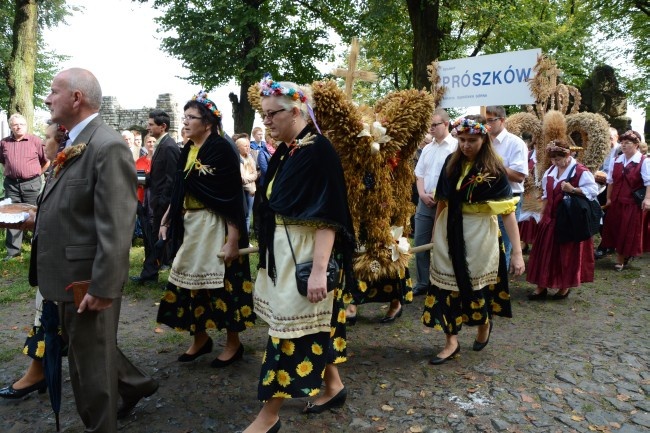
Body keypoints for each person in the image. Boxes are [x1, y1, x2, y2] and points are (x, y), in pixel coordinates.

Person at [31, 67, 159, 431]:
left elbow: (116, 225)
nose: (47, 98)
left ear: (76, 98)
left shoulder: (107, 145)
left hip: (86, 282)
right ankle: (136, 385)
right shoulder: (72, 142)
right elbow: (76, 208)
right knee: (88, 354)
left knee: (92, 375)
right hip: (66, 277)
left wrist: (103, 287)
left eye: (54, 91)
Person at [242, 75, 356, 433]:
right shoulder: (290, 149)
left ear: (295, 111)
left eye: (272, 115)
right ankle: (333, 385)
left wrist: (319, 270)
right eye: (264, 116)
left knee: (288, 332)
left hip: (306, 254)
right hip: (286, 250)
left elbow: (331, 215)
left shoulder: (318, 150)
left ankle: (269, 416)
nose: (267, 122)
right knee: (308, 325)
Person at [156, 91, 255, 368]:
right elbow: (180, 188)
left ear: (208, 122)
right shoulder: (188, 149)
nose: (185, 122)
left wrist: (233, 239)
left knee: (224, 285)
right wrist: (167, 219)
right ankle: (200, 339)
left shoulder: (222, 148)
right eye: (184, 117)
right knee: (187, 282)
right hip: (192, 225)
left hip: (219, 226)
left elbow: (232, 196)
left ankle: (233, 344)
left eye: (191, 117)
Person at [422, 115, 525, 365]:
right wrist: (437, 231)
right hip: (450, 228)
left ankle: (483, 323)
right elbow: (443, 200)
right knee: (445, 285)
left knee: (476, 284)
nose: (466, 145)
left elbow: (508, 213)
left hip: (480, 232)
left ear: (483, 140)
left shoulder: (495, 169)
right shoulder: (451, 162)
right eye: (462, 140)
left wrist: (518, 253)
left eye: (472, 140)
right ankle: (451, 341)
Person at [0, 121, 66, 400]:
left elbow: (66, 215)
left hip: (65, 263)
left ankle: (128, 382)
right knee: (50, 318)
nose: (44, 143)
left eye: (48, 138)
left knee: (74, 329)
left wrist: (29, 218)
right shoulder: (57, 168)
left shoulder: (66, 169)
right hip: (52, 260)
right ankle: (37, 372)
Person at [525, 139, 598, 300]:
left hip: (569, 220)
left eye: (558, 159)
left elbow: (593, 191)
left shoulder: (580, 171)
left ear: (568, 154)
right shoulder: (550, 171)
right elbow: (545, 196)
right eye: (552, 159)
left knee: (565, 255)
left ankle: (564, 287)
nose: (555, 162)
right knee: (544, 253)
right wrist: (542, 217)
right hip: (550, 219)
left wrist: (573, 189)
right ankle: (541, 286)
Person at [131, 109, 180, 284]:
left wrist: (162, 202)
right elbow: (158, 175)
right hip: (156, 202)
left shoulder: (169, 146)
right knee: (155, 240)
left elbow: (172, 178)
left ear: (163, 126)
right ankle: (150, 274)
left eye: (151, 124)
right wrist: (141, 179)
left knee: (160, 240)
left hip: (162, 204)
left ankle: (152, 274)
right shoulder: (163, 144)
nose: (148, 127)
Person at [412, 109, 458, 297]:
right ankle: (423, 282)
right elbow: (419, 174)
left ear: (446, 124)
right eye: (429, 125)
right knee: (420, 243)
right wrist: (422, 194)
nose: (430, 128)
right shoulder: (427, 149)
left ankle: (444, 281)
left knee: (444, 243)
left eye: (434, 125)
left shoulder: (455, 147)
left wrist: (441, 196)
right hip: (425, 202)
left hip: (446, 203)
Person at [1, 113, 49, 260]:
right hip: (11, 184)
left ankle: (38, 250)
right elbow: (3, 161)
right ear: (10, 127)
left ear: (26, 125)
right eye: (15, 124)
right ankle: (13, 252)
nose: (18, 126)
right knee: (12, 216)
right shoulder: (4, 143)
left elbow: (46, 161)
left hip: (32, 184)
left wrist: (36, 174)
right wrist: (13, 171)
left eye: (21, 124)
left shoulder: (35, 141)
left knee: (36, 215)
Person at [600, 130, 650, 271]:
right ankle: (624, 254)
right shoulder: (616, 160)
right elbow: (610, 181)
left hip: (632, 203)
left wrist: (647, 199)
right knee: (615, 228)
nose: (623, 145)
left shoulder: (644, 161)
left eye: (627, 143)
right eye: (622, 143)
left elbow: (648, 182)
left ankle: (621, 259)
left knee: (626, 231)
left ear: (636, 145)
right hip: (616, 201)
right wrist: (609, 198)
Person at [485, 106, 528, 269]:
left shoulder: (515, 143)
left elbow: (518, 176)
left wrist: (493, 165)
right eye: (485, 121)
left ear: (502, 120)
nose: (487, 125)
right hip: (485, 198)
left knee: (503, 245)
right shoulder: (483, 141)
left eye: (491, 120)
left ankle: (500, 288)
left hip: (509, 197)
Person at [595, 127, 621, 259]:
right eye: (606, 138)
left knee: (610, 218)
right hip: (600, 188)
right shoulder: (602, 150)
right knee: (600, 215)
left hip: (616, 189)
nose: (608, 141)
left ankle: (608, 245)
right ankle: (606, 243)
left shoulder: (621, 150)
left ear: (617, 137)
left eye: (610, 138)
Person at [236, 136, 257, 235]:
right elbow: (241, 178)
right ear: (238, 147)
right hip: (241, 190)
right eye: (245, 146)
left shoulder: (250, 158)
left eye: (248, 146)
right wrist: (250, 177)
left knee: (248, 215)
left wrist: (247, 178)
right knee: (241, 215)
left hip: (251, 190)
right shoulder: (237, 159)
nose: (248, 148)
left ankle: (246, 236)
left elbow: (255, 174)